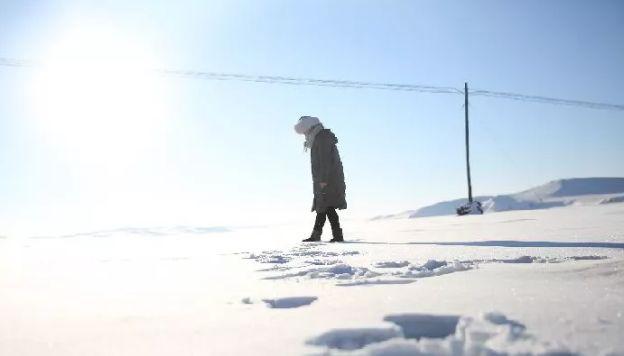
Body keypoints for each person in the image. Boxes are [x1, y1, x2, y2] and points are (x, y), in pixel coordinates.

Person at [294, 116, 347, 242]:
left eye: (305, 131)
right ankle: (318, 235)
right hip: (325, 179)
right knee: (323, 207)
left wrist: (323, 180)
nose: (305, 135)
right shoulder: (318, 138)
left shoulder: (322, 138)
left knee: (327, 206)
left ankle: (335, 236)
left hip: (328, 179)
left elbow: (325, 162)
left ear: (310, 128)